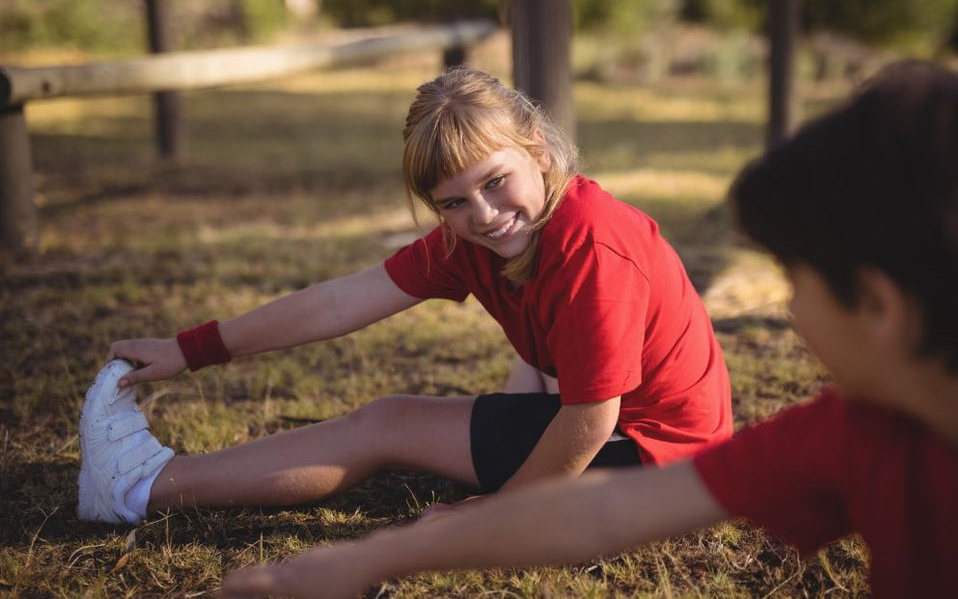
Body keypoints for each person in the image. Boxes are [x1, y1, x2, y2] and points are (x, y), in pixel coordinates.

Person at [220, 61, 958, 599]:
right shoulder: (853, 432)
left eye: (797, 282)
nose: (786, 311)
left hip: (634, 434)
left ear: (880, 306)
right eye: (453, 202)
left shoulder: (596, 244)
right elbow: (600, 516)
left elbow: (596, 436)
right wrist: (368, 558)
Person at [78, 67, 733, 527]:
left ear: (536, 149)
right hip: (613, 424)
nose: (484, 214)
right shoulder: (467, 240)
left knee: (387, 423)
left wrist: (501, 515)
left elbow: (590, 419)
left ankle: (139, 488)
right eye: (453, 202)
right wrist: (190, 349)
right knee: (520, 374)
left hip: (666, 464)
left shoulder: (591, 246)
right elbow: (339, 301)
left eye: (496, 181)